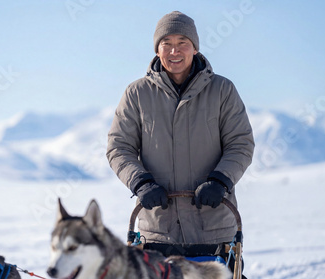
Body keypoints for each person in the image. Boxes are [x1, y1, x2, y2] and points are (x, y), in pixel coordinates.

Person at [106, 11, 254, 250]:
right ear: (157, 50)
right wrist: (141, 183)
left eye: (182, 43)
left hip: (213, 230)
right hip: (157, 232)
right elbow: (119, 147)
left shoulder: (222, 90)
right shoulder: (137, 94)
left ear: (194, 48)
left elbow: (240, 144)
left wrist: (220, 181)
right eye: (167, 44)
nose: (174, 51)